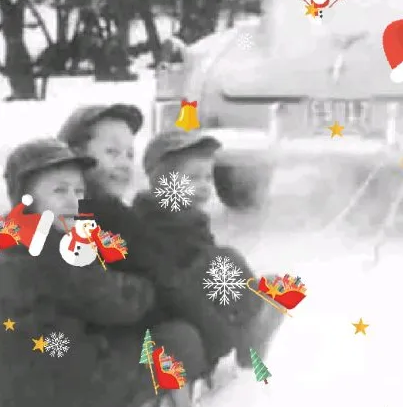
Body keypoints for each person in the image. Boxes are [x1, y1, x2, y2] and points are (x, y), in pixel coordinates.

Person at [0, 136, 209, 407]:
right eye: (59, 190)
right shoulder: (60, 248)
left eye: (78, 191)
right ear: (27, 199)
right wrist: (146, 288)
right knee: (177, 337)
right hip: (77, 398)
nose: (73, 201)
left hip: (15, 404)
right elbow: (118, 303)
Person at [58, 109, 283, 376]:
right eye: (112, 152)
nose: (123, 164)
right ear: (75, 156)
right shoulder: (108, 218)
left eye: (129, 155)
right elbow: (164, 283)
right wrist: (216, 337)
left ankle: (246, 319)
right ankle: (247, 326)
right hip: (117, 338)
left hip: (106, 331)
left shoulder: (96, 212)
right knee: (215, 269)